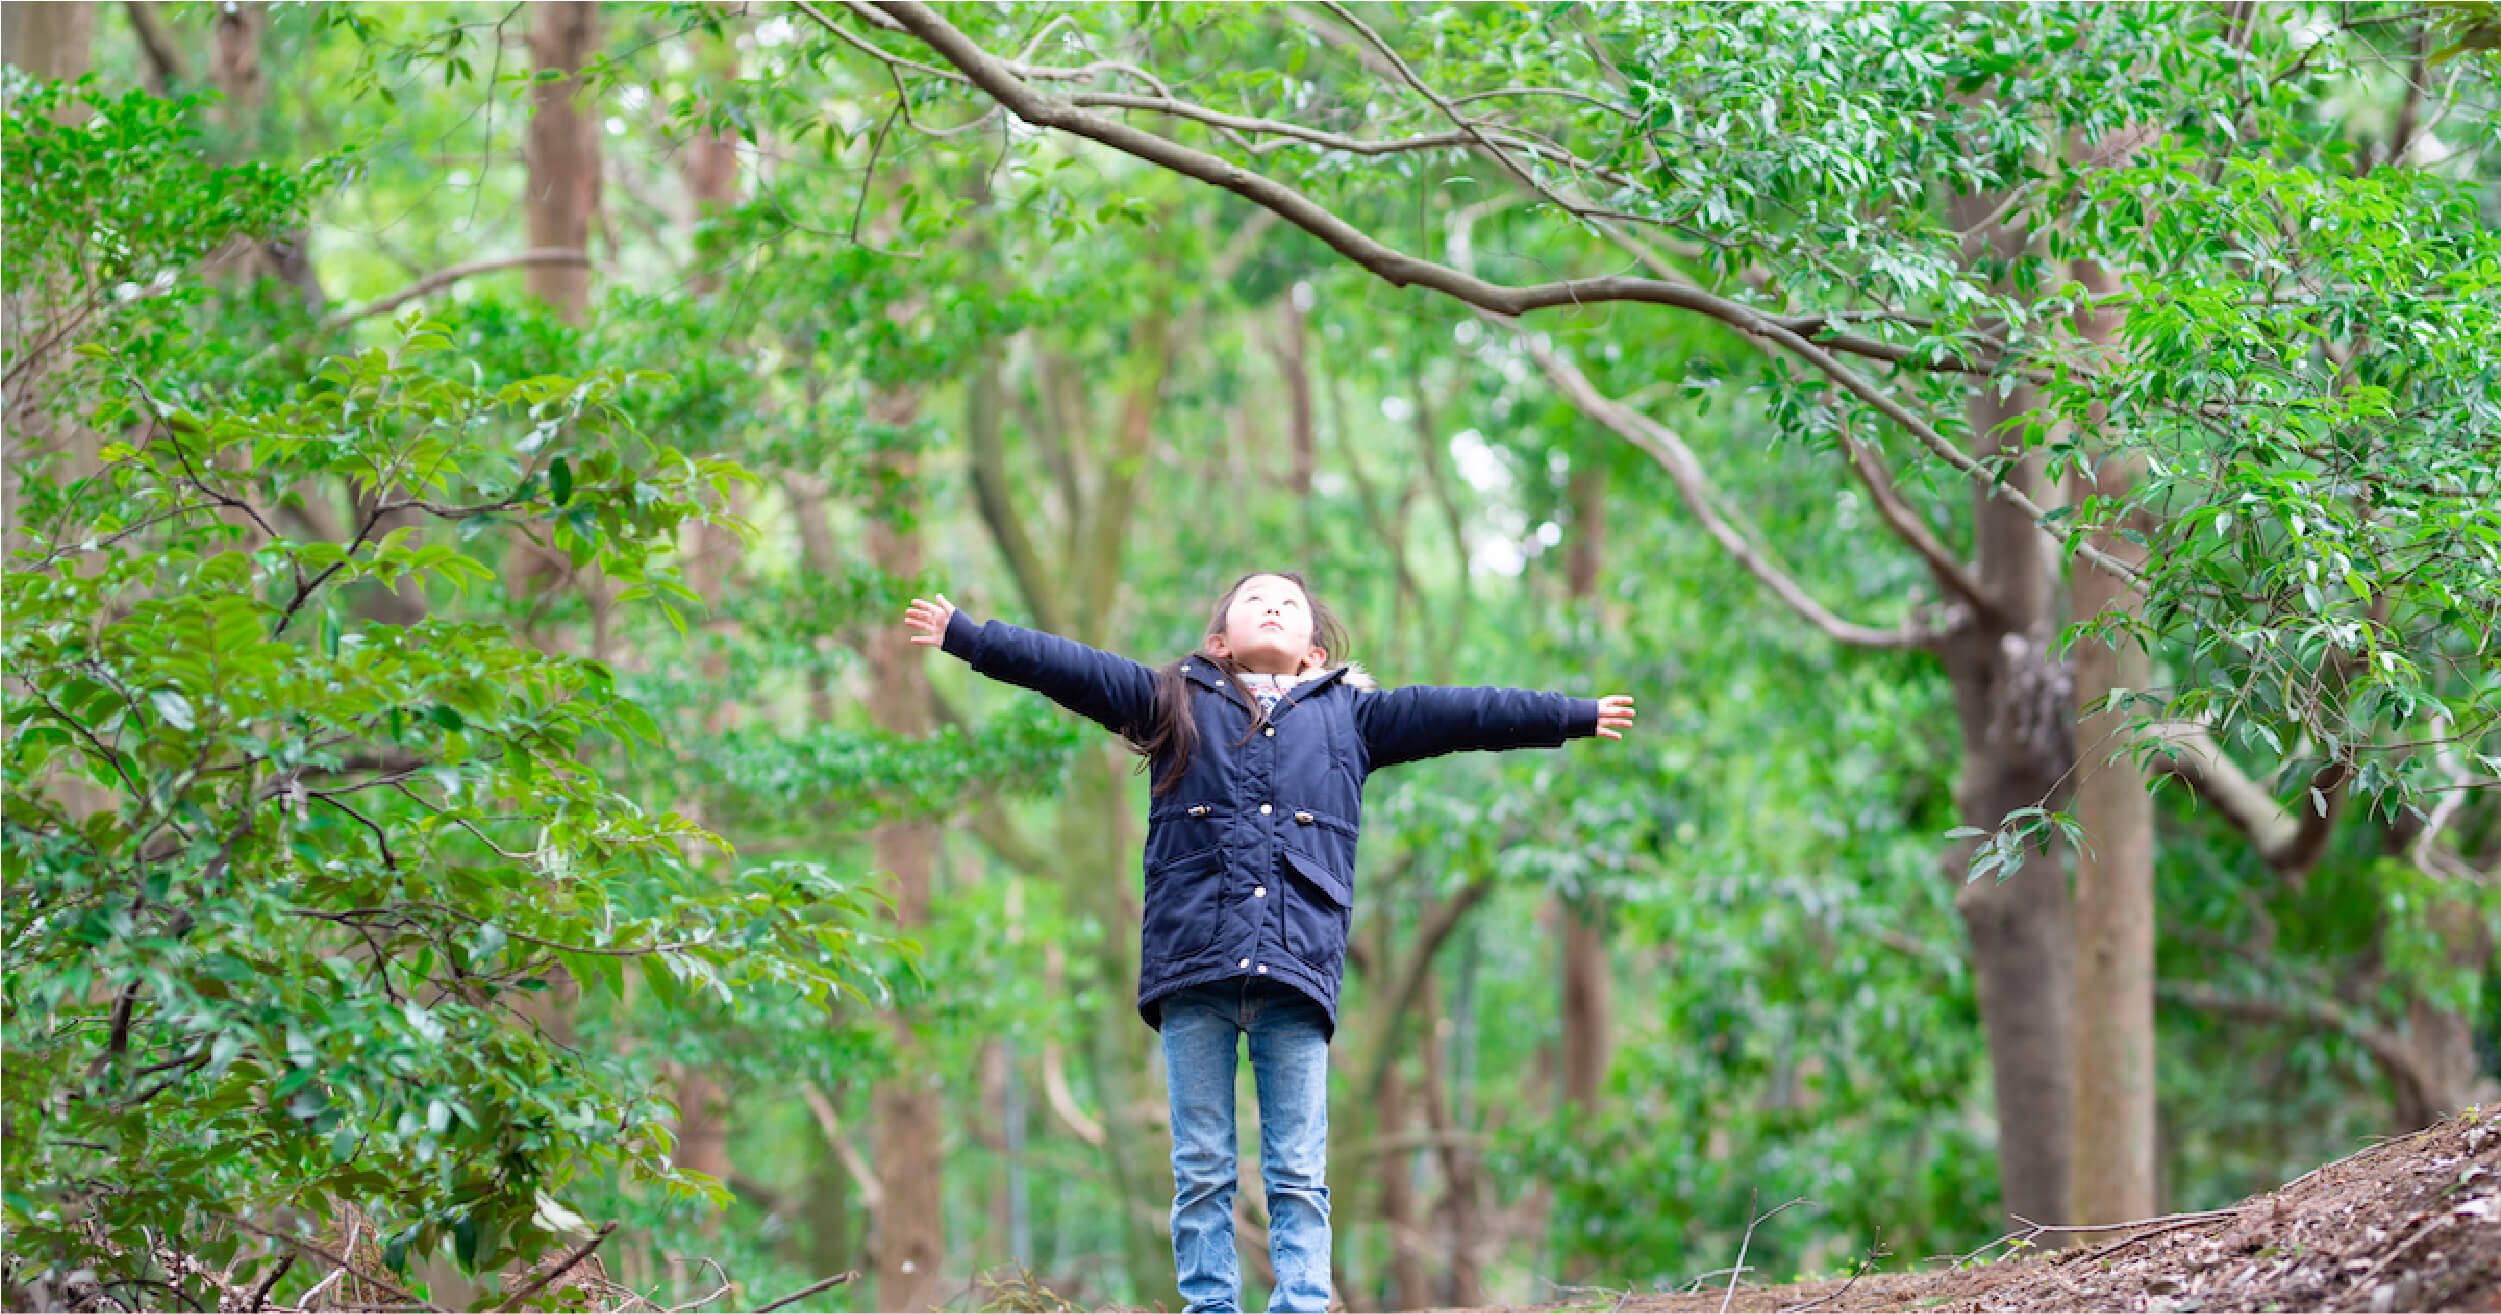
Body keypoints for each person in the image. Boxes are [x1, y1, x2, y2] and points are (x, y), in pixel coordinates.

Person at [903, 571, 1635, 1313]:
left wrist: (1570, 714)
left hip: (1296, 970)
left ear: (1315, 654)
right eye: (1255, 600)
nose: (1274, 606)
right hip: (1194, 968)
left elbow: (1467, 713)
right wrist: (970, 637)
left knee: (1296, 1167)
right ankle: (1210, 1305)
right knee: (1201, 1164)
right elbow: (1071, 668)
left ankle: (1303, 1303)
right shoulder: (1172, 701)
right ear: (1218, 642)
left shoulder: (1355, 717)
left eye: (1288, 602)